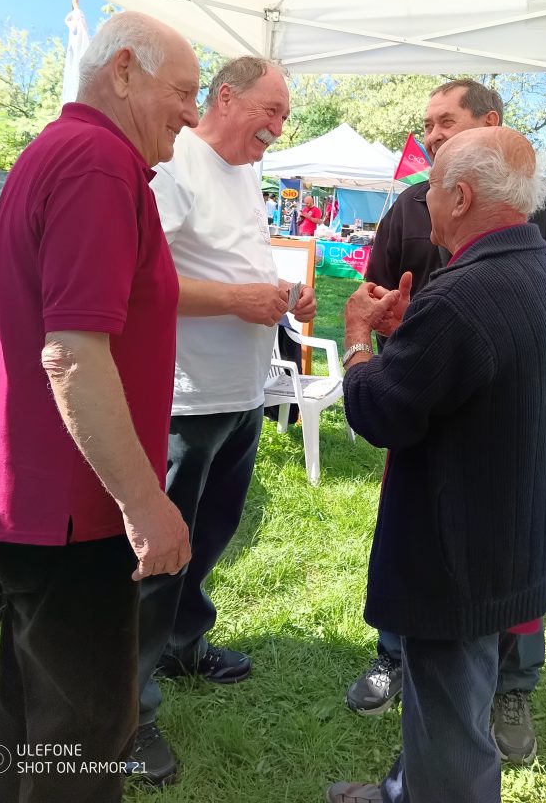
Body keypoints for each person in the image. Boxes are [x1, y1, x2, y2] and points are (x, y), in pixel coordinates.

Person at [0, 12, 198, 803]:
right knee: (86, 737)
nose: (193, 114)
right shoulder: (97, 163)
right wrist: (145, 503)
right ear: (123, 70)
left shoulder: (67, 152)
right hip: (73, 511)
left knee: (34, 713)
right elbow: (71, 354)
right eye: (184, 92)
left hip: (35, 498)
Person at [346, 78, 546, 766]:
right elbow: (397, 297)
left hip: (492, 450)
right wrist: (419, 338)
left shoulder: (536, 215)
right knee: (458, 594)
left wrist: (363, 340)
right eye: (426, 123)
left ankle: (509, 691)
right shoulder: (420, 211)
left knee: (467, 612)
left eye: (444, 122)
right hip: (436, 426)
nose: (430, 135)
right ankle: (399, 676)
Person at [128, 56, 317, 785]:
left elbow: (230, 262)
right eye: (271, 111)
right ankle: (129, 712)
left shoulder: (243, 171)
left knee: (208, 537)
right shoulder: (176, 163)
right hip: (185, 398)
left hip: (241, 394)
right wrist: (238, 301)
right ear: (226, 97)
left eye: (285, 117)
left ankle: (182, 645)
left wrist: (284, 294)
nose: (278, 128)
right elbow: (144, 278)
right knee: (159, 556)